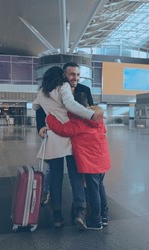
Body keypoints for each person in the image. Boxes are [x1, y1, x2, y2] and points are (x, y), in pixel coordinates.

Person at [32, 66, 103, 230]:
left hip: (53, 138)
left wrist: (48, 112)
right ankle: (80, 212)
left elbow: (35, 107)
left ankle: (57, 216)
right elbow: (70, 104)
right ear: (62, 75)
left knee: (56, 178)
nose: (74, 77)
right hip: (70, 137)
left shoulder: (42, 92)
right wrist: (91, 115)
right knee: (75, 176)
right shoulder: (63, 86)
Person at [46, 92, 111, 230]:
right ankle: (104, 217)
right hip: (102, 160)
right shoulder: (98, 120)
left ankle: (96, 220)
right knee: (100, 187)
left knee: (93, 191)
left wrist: (50, 118)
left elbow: (62, 129)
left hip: (91, 163)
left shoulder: (79, 123)